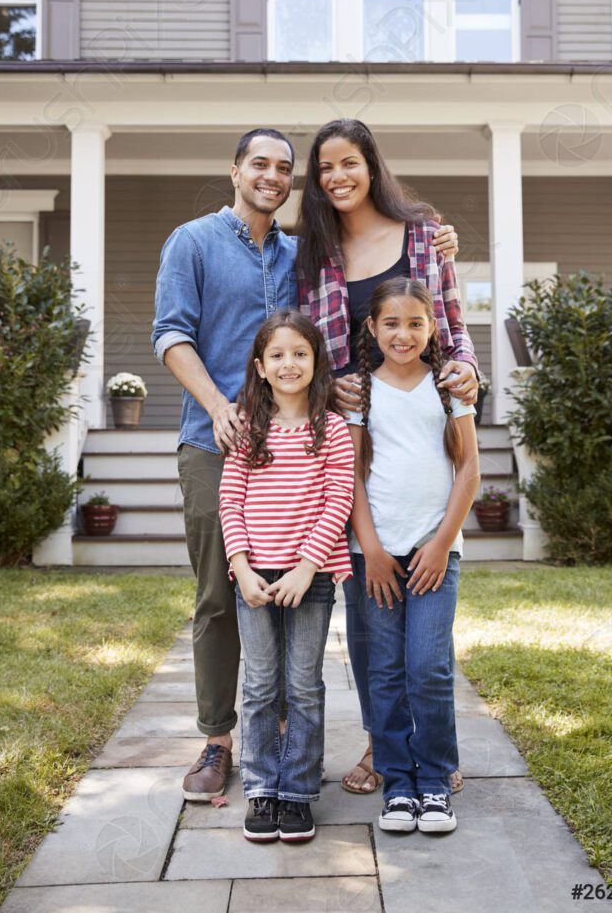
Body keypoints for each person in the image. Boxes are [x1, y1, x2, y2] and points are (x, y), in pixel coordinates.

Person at [151, 127, 459, 801]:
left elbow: (361, 315)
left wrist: (437, 239)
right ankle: (217, 739)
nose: (270, 174)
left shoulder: (304, 252)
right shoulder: (193, 242)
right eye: (258, 162)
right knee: (221, 593)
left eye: (283, 167)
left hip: (301, 448)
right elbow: (170, 333)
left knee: (301, 588)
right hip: (217, 440)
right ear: (234, 169)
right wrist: (220, 406)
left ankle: (285, 734)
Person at [295, 118, 478, 795]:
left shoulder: (426, 233)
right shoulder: (313, 254)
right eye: (325, 169)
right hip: (349, 443)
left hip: (420, 438)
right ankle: (382, 745)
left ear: (371, 165)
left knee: (425, 641)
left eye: (349, 163)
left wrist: (464, 375)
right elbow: (307, 350)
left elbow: (453, 326)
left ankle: (433, 749)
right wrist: (325, 385)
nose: (338, 177)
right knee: (370, 621)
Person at [346, 278, 480, 833]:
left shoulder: (449, 388)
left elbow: (469, 468)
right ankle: (398, 784)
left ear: (432, 329)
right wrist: (371, 549)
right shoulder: (360, 391)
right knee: (384, 671)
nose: (403, 334)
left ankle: (435, 780)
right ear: (372, 328)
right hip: (374, 556)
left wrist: (442, 542)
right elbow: (350, 476)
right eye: (392, 323)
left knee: (428, 667)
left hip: (434, 554)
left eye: (416, 323)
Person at [219, 311, 354, 842]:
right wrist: (240, 567)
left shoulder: (333, 429)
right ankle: (261, 789)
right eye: (277, 354)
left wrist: (306, 567)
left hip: (310, 578)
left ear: (316, 360)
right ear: (260, 366)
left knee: (302, 686)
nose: (289, 363)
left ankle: (296, 792)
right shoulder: (248, 428)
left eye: (300, 352)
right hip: (253, 575)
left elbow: (337, 500)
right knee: (257, 686)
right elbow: (230, 500)